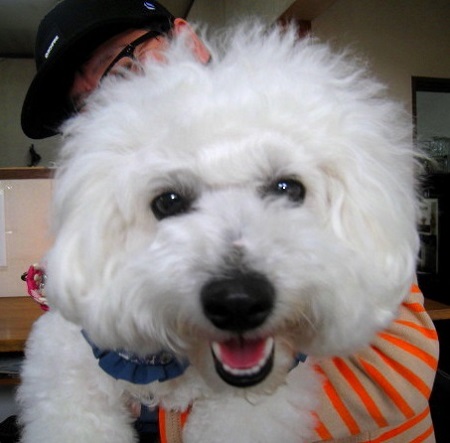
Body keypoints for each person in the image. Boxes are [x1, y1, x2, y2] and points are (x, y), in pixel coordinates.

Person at [21, 1, 439, 442]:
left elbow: (397, 371)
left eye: (124, 66)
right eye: (86, 104)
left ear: (187, 39)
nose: (114, 102)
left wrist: (164, 415)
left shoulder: (319, 142)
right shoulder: (117, 196)